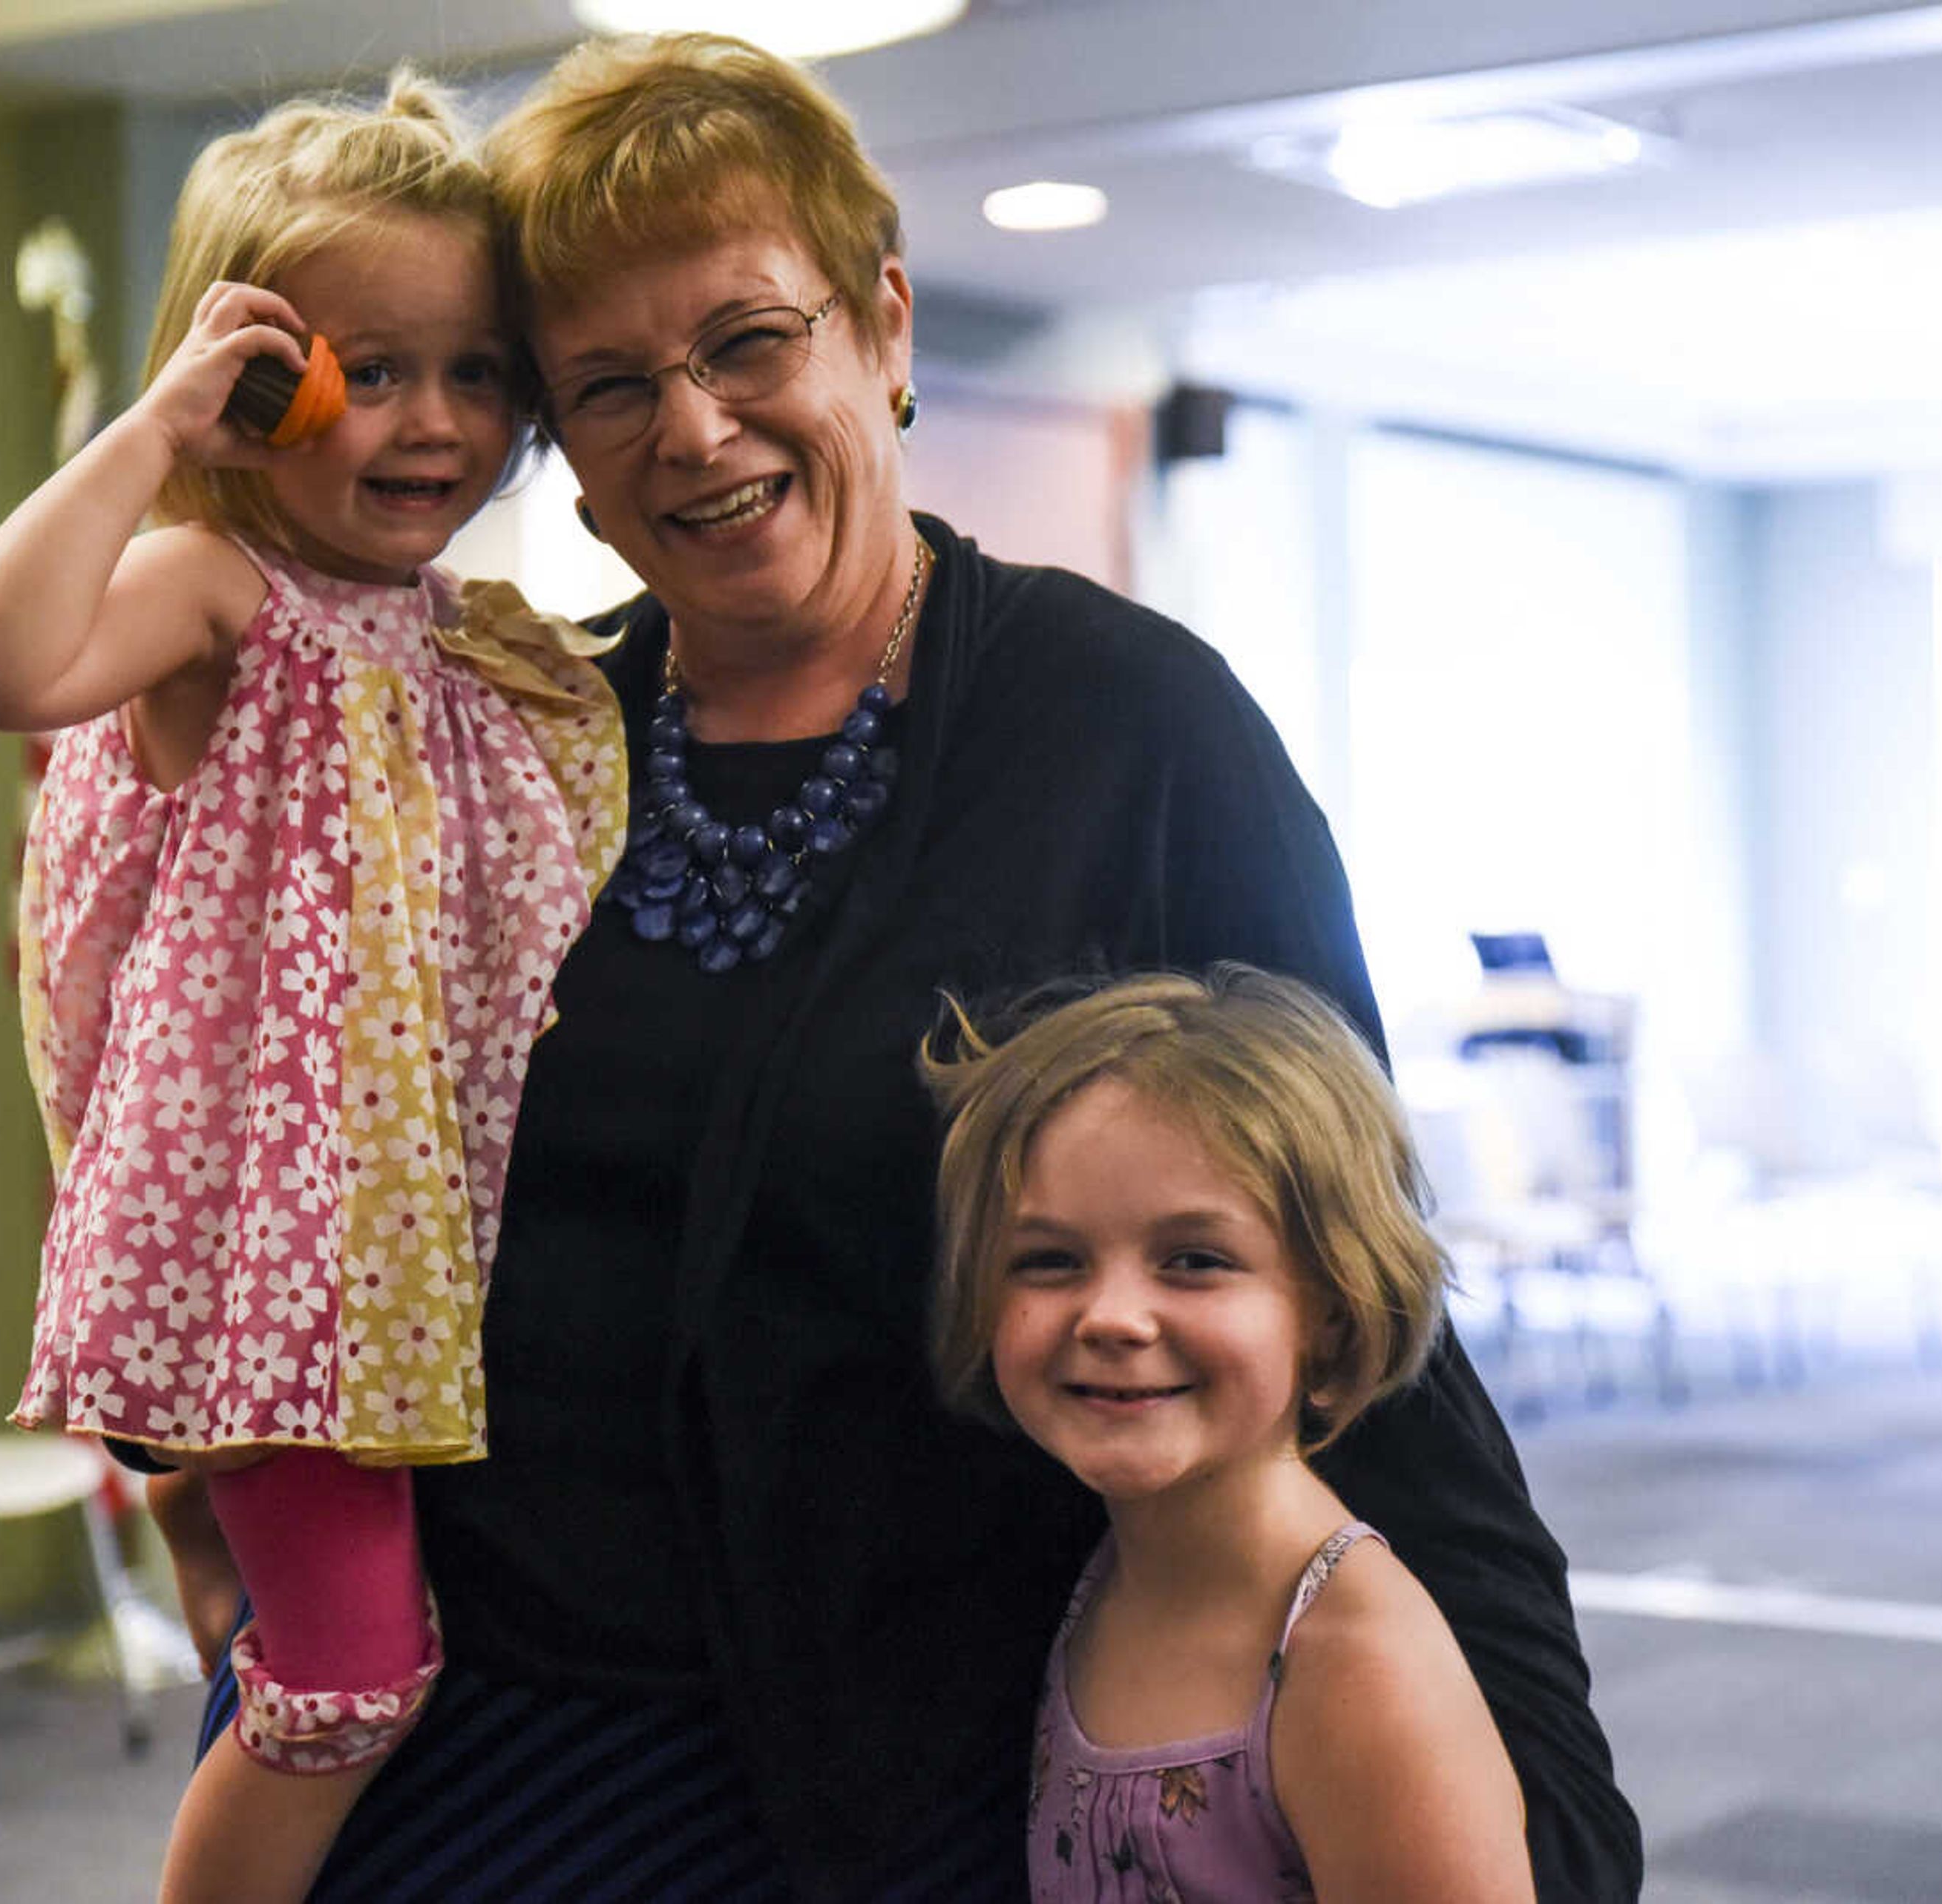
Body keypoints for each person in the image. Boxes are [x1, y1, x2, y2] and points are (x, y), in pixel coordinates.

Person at [150, 30, 1642, 1903]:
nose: (689, 429)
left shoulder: (1125, 729)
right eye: (607, 384)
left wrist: (1542, 1805)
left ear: (883, 326)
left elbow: (1348, 1292)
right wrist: (194, 1477)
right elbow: (253, 1099)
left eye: (747, 341)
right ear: (560, 452)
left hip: (903, 1761)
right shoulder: (497, 728)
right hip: (472, 1726)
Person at [0, 70, 625, 1904]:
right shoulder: (212, 586)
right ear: (257, 389)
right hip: (279, 1268)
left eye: (477, 372)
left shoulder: (465, 641)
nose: (432, 420)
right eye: (365, 369)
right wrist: (155, 433)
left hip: (396, 1254)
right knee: (347, 1680)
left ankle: (202, 1550)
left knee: (300, 1646)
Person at [925, 967, 1537, 1903]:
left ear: (1330, 1310)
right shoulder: (1103, 1582)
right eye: (1050, 1260)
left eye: (1196, 1261)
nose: (1113, 1315)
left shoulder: (1358, 1667)